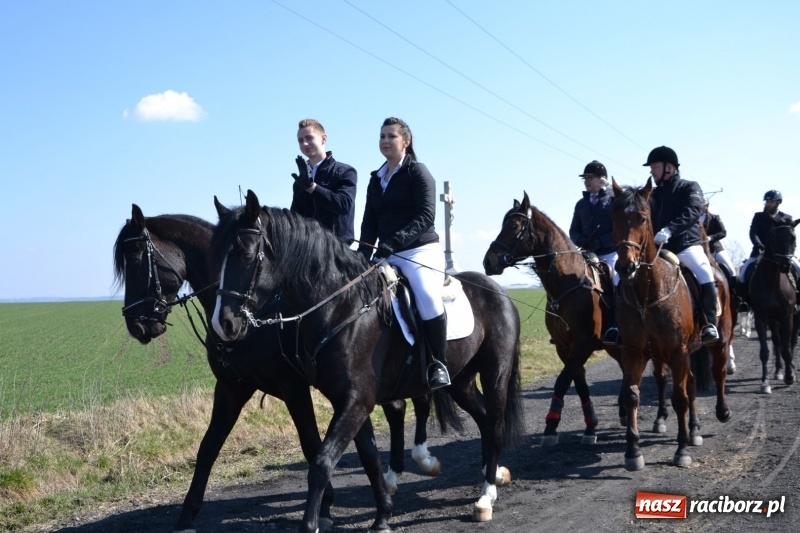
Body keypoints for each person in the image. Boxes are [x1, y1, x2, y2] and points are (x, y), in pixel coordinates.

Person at [357, 117, 450, 390]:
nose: (385, 141)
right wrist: (363, 252)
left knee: (427, 296)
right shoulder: (376, 179)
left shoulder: (418, 172)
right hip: (387, 252)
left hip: (420, 251)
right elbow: (369, 222)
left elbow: (425, 216)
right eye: (382, 136)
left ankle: (438, 363)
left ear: (405, 142)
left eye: (391, 137)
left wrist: (394, 241)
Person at [603, 146, 719, 346]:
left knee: (704, 271)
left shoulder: (689, 187)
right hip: (655, 250)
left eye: (654, 167)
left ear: (669, 167)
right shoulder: (651, 194)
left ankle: (709, 323)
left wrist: (670, 229)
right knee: (621, 276)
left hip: (685, 245)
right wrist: (611, 193)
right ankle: (616, 325)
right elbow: (630, 207)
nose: (651, 171)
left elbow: (693, 210)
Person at [290, 118, 357, 245]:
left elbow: (343, 205)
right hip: (308, 249)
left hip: (338, 251)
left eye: (309, 138)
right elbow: (295, 219)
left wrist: (312, 188)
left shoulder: (345, 171)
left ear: (324, 139)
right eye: (300, 141)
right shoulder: (299, 182)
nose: (304, 144)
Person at [738, 190, 800, 301]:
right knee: (742, 275)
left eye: (771, 201)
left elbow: (790, 237)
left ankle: (797, 299)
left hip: (783, 254)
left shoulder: (786, 218)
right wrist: (759, 245)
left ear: (778, 203)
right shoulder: (758, 217)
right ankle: (744, 301)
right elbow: (754, 233)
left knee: (799, 269)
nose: (768, 204)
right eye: (767, 201)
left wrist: (788, 252)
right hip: (761, 251)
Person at [700, 200, 737, 277]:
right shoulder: (693, 219)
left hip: (715, 249)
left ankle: (736, 288)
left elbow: (723, 232)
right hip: (700, 250)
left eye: (703, 205)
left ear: (706, 206)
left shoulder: (715, 218)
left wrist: (710, 237)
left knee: (731, 271)